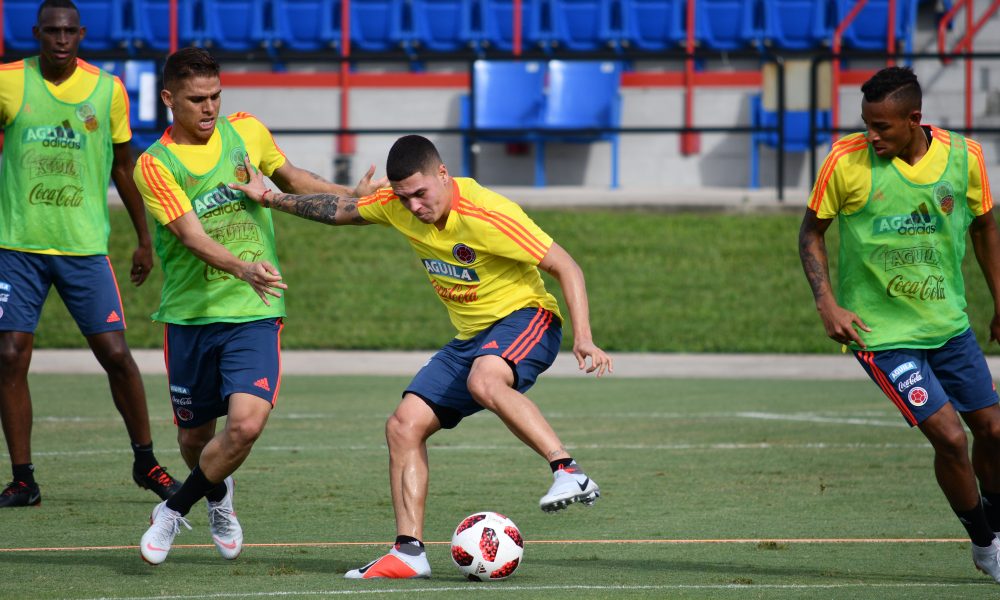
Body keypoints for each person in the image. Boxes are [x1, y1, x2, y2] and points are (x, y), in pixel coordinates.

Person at [231, 133, 613, 579]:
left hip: (528, 319)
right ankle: (409, 551)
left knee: (485, 381)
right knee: (403, 425)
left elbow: (566, 265)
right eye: (403, 197)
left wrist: (583, 337)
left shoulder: (488, 213)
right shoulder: (399, 205)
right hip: (471, 337)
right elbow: (341, 211)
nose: (412, 206)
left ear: (443, 175)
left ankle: (569, 471)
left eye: (420, 193)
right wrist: (270, 198)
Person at [132, 47, 384, 565]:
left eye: (216, 96)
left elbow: (290, 178)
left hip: (254, 309)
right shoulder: (154, 165)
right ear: (168, 99)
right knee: (193, 437)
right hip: (190, 316)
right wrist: (243, 265)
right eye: (197, 99)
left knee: (245, 425)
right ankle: (218, 494)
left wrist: (351, 196)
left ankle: (174, 510)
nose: (209, 108)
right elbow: (191, 236)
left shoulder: (246, 130)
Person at [798, 66, 1000, 583]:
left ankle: (995, 524)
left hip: (949, 325)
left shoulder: (965, 157)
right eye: (866, 123)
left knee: (994, 430)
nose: (871, 135)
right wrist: (827, 303)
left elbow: (984, 229)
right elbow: (810, 234)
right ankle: (985, 545)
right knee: (951, 439)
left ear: (914, 119)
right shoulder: (845, 161)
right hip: (882, 335)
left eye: (882, 126)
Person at [0, 0, 181, 508]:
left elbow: (125, 168)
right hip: (17, 246)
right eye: (50, 31)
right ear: (36, 33)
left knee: (116, 355)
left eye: (68, 32)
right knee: (9, 354)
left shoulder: (107, 90)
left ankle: (145, 461)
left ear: (80, 34)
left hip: (84, 249)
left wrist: (144, 239)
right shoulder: (9, 81)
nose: (60, 39)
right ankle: (23, 479)